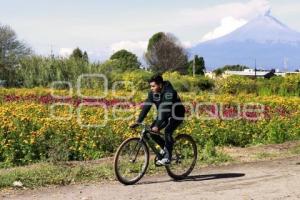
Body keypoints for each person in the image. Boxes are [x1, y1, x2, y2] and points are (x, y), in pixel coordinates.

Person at [130, 74, 185, 166]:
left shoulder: (169, 92)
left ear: (160, 85)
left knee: (168, 131)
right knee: (152, 132)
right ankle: (166, 149)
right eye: (150, 86)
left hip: (176, 115)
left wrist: (158, 125)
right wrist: (138, 121)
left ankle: (167, 157)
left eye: (153, 86)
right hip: (164, 115)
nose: (151, 88)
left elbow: (165, 108)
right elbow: (146, 106)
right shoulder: (152, 93)